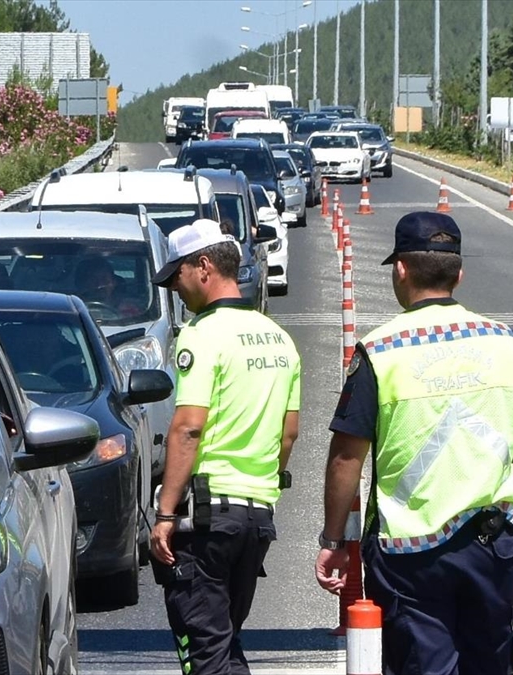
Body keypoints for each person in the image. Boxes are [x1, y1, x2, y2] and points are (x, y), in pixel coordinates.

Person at [315, 212, 513, 675]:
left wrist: (334, 538)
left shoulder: (381, 349)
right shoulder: (506, 342)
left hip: (411, 551)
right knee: (490, 660)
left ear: (400, 270)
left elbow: (347, 457)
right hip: (494, 541)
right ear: (459, 274)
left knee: (422, 664)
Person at [149, 218, 301, 674]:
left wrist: (165, 514)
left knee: (204, 651)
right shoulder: (280, 339)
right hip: (257, 516)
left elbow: (188, 428)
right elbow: (288, 433)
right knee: (222, 642)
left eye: (177, 275)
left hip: (209, 517)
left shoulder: (200, 335)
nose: (175, 288)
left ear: (204, 266)